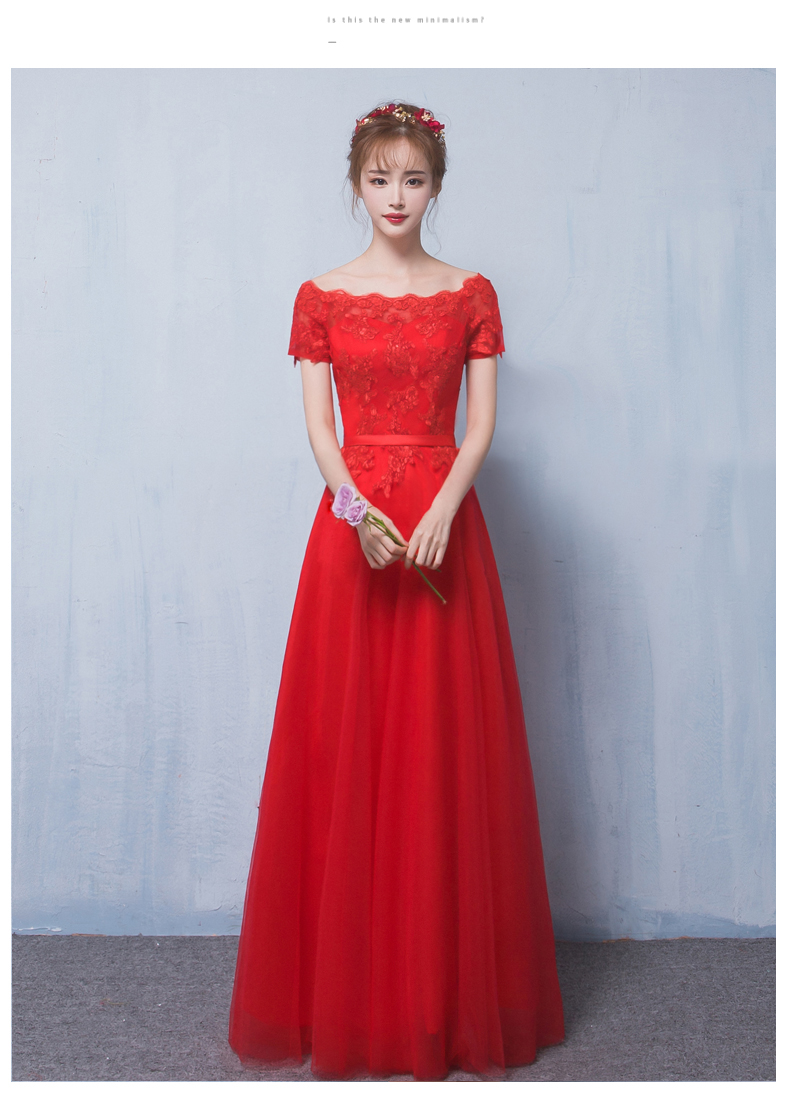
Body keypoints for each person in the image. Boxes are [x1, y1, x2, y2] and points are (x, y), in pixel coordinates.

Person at [228, 102, 565, 1081]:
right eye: (379, 178)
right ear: (356, 183)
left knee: (440, 749)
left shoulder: (470, 293)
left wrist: (444, 508)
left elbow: (479, 427)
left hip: (442, 529)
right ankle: (346, 996)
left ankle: (441, 999)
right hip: (356, 536)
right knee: (343, 746)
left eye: (413, 179)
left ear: (437, 186)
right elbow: (319, 431)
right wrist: (356, 511)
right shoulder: (321, 297)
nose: (395, 196)